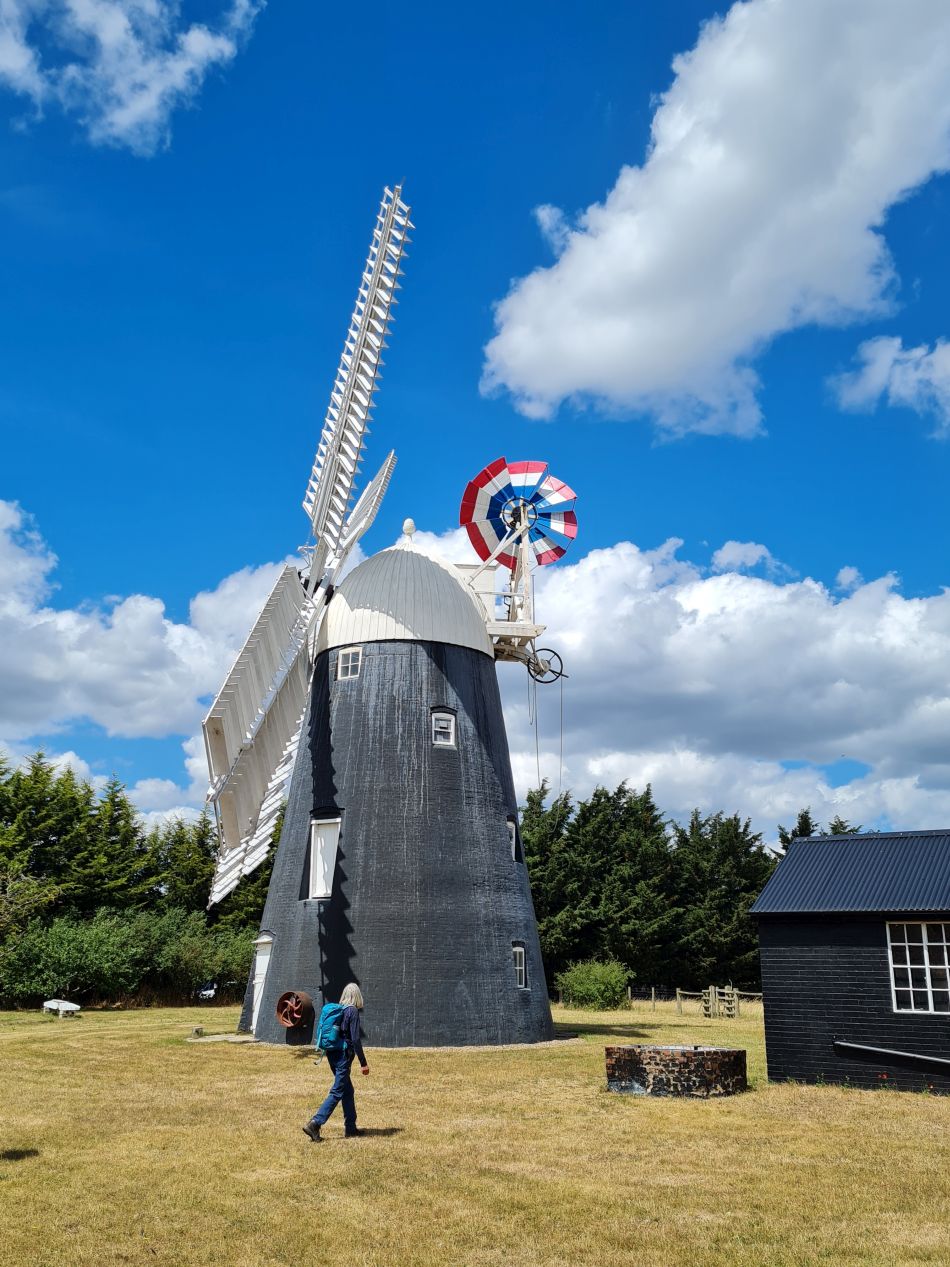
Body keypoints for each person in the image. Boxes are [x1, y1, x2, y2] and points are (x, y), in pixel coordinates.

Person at [303, 983, 369, 1142]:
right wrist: (363, 1062)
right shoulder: (352, 1011)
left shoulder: (340, 1010)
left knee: (347, 1090)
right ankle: (315, 1123)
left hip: (332, 1054)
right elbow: (355, 1039)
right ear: (357, 996)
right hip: (343, 1056)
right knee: (338, 1091)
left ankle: (351, 1128)